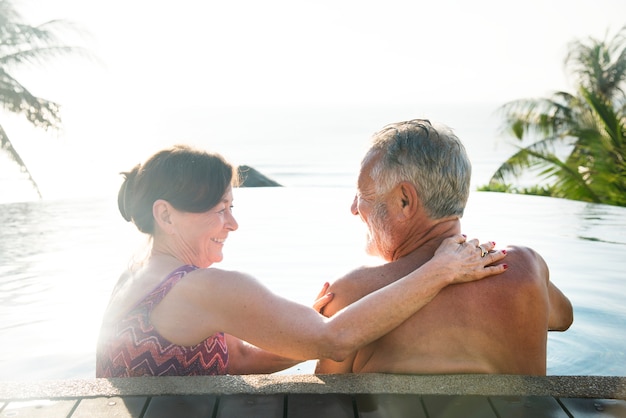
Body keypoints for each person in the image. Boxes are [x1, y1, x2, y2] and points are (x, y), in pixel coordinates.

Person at [96, 144, 507, 377]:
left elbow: (237, 358)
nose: (233, 224)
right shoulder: (204, 287)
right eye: (220, 210)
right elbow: (335, 341)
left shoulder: (137, 272)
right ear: (165, 215)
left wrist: (296, 330)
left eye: (231, 207)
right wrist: (440, 270)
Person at [315, 119, 573, 376]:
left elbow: (324, 400)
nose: (353, 208)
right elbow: (564, 319)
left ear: (405, 201)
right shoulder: (526, 268)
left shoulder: (350, 295)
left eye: (363, 195)